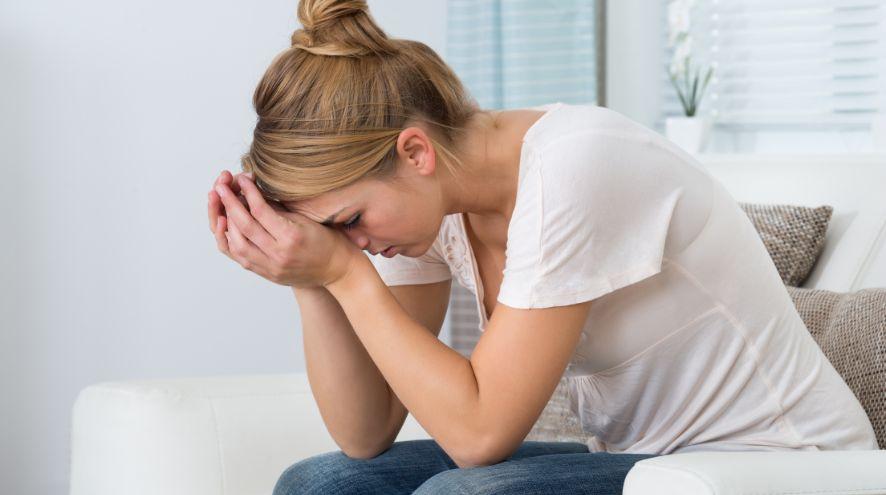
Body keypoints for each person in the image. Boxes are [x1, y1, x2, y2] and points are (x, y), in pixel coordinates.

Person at [206, 0, 879, 493]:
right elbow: (365, 430)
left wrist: (346, 275)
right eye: (334, 230)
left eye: (348, 218)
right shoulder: (422, 203)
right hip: (649, 466)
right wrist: (307, 272)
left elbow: (477, 434)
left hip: (780, 465)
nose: (355, 242)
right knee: (324, 483)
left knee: (462, 494)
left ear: (414, 150)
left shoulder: (574, 165)